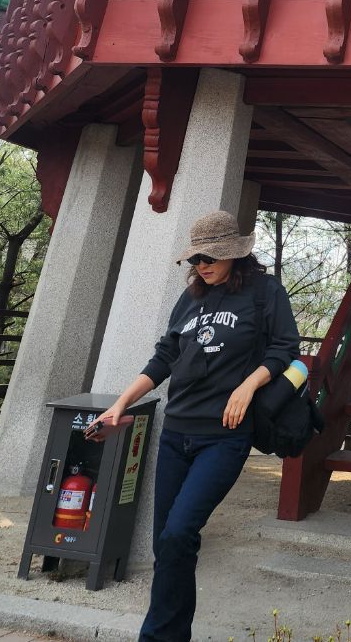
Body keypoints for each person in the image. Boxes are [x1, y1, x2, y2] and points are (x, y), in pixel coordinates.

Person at [88, 211, 300, 642]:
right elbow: (164, 357)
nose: (201, 265)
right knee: (167, 544)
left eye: (210, 257)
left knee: (181, 531)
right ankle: (172, 635)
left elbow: (285, 348)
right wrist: (121, 404)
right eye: (195, 258)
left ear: (235, 254)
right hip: (176, 432)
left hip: (223, 437)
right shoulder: (190, 297)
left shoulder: (265, 292)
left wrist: (248, 386)